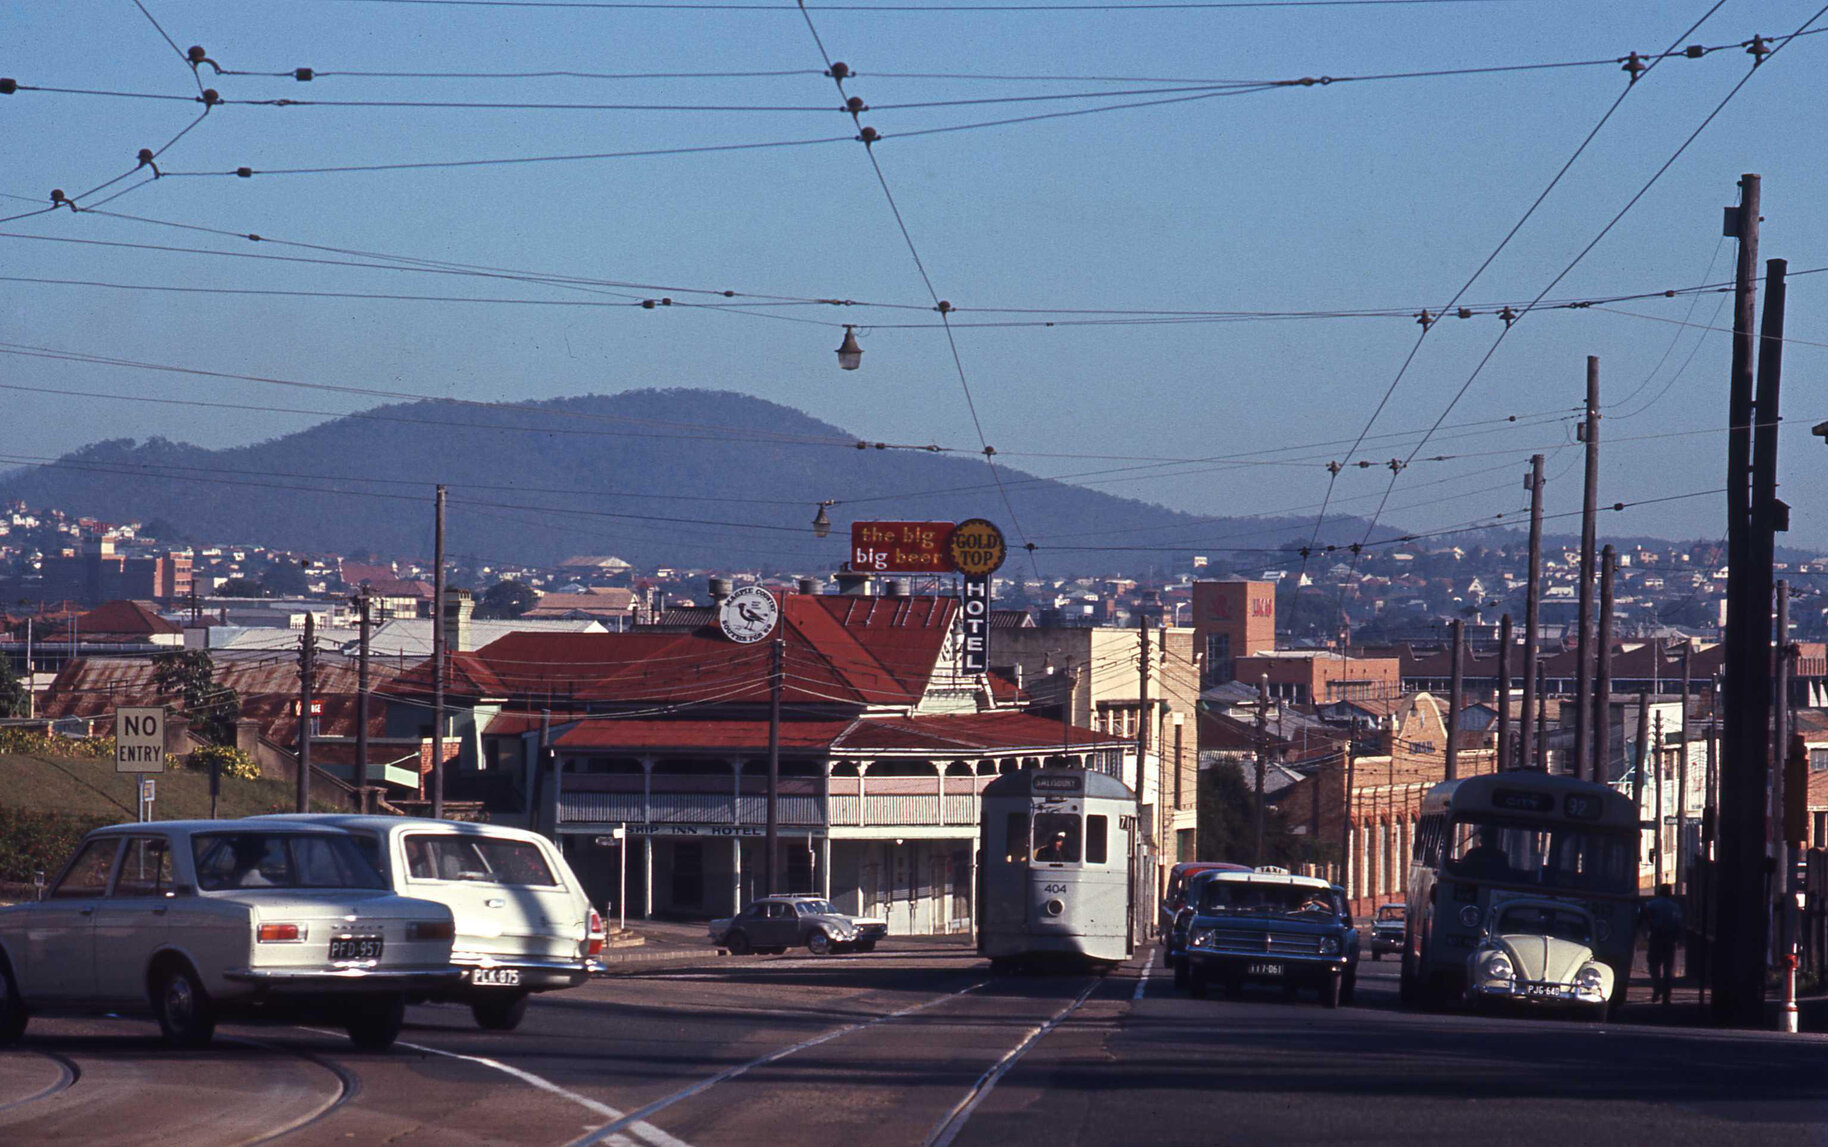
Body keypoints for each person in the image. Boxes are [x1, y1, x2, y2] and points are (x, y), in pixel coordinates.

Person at [1641, 882, 1684, 1005]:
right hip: (1670, 939)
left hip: (1656, 937)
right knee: (1668, 968)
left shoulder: (1652, 905)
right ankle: (1666, 995)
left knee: (1653, 964)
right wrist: (1679, 939)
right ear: (1670, 893)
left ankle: (1657, 987)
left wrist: (1644, 933)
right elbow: (1678, 923)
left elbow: (1645, 918)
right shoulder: (1675, 907)